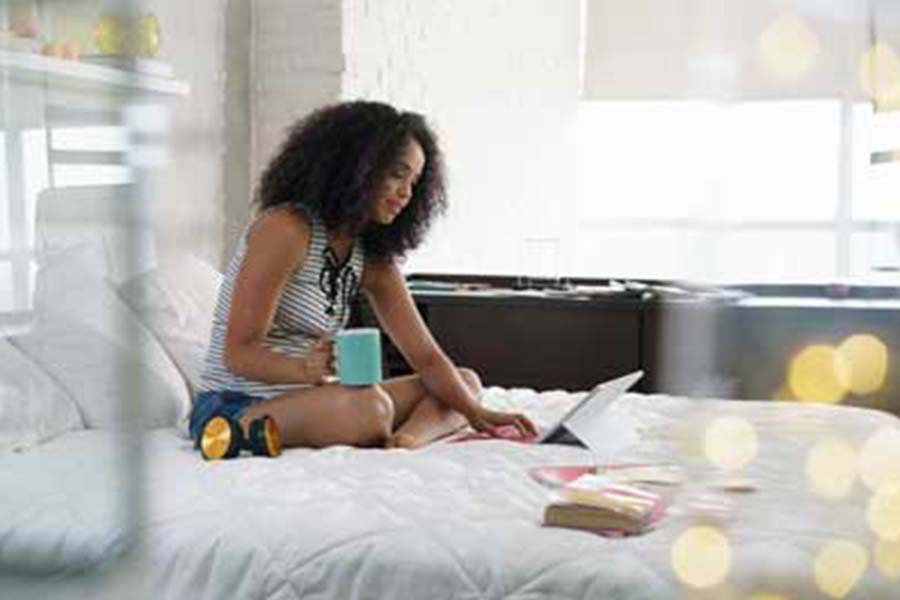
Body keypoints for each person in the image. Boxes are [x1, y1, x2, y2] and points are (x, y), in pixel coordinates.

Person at [190, 100, 537, 457]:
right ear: (356, 167)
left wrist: (478, 414)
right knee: (370, 407)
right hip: (236, 405)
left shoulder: (369, 257)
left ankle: (403, 442)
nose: (406, 193)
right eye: (397, 174)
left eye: (415, 182)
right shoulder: (286, 229)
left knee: (464, 384)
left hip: (315, 400)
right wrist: (303, 369)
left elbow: (427, 358)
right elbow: (238, 353)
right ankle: (237, 435)